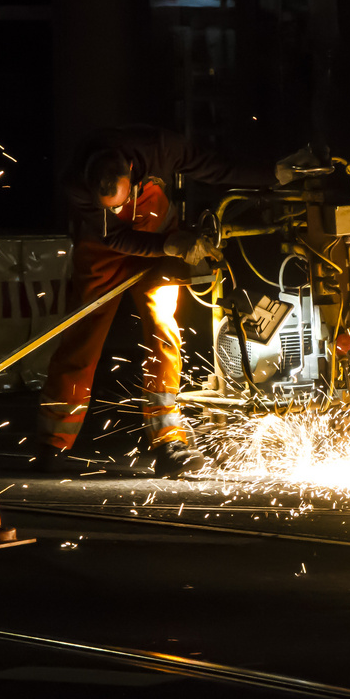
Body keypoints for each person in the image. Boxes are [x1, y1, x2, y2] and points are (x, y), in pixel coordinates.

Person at [34, 125, 285, 477]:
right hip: (104, 252)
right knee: (83, 339)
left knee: (163, 334)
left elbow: (216, 167)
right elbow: (116, 237)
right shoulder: (75, 184)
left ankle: (169, 441)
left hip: (159, 239)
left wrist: (273, 175)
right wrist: (168, 246)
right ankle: (53, 440)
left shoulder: (160, 149)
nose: (119, 208)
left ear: (134, 177)